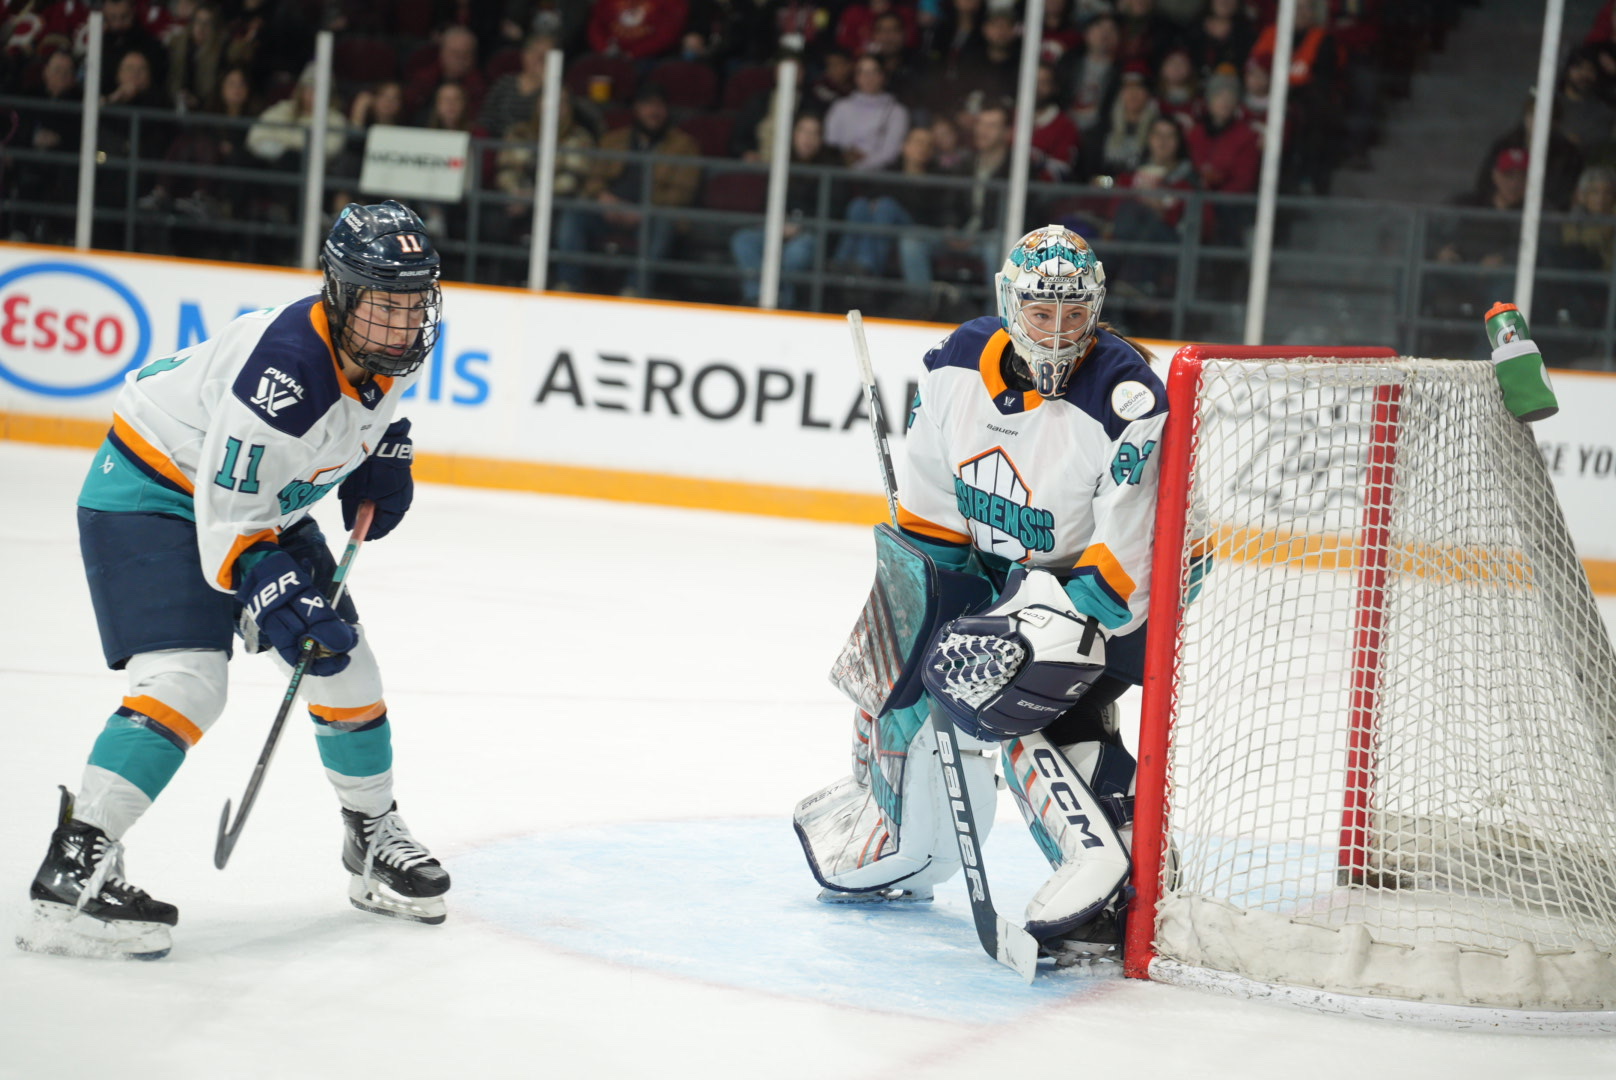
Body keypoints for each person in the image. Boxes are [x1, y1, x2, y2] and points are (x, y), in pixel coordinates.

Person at [16, 201, 452, 961]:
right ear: (342, 294)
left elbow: (344, 431)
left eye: (414, 304)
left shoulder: (382, 353)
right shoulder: (283, 376)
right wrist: (270, 586)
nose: (403, 324)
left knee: (342, 659)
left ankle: (371, 837)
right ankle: (74, 873)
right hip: (153, 490)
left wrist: (382, 450)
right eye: (385, 305)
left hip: (253, 500)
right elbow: (228, 520)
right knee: (186, 679)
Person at [793, 224, 1166, 966]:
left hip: (1109, 594)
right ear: (1009, 304)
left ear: (1094, 309)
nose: (1058, 331)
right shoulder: (958, 366)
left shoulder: (1126, 398)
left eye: (1073, 313)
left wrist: (1017, 634)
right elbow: (932, 517)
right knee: (912, 671)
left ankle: (1102, 868)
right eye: (1040, 312)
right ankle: (906, 836)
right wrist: (931, 611)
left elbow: (1127, 557)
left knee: (1004, 688)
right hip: (1008, 586)